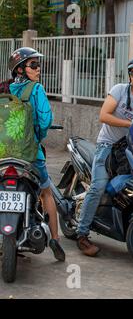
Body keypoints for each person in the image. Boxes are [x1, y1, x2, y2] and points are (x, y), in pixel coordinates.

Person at [76, 55, 133, 257]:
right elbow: (104, 115)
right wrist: (131, 124)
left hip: (132, 151)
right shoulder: (120, 90)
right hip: (108, 146)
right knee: (98, 186)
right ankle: (82, 234)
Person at [8, 47, 65, 261]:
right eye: (33, 65)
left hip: (4, 155)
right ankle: (56, 240)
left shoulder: (5, 90)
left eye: (38, 64)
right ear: (20, 69)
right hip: (30, 155)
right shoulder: (36, 89)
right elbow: (45, 121)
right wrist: (37, 137)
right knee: (46, 192)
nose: (38, 68)